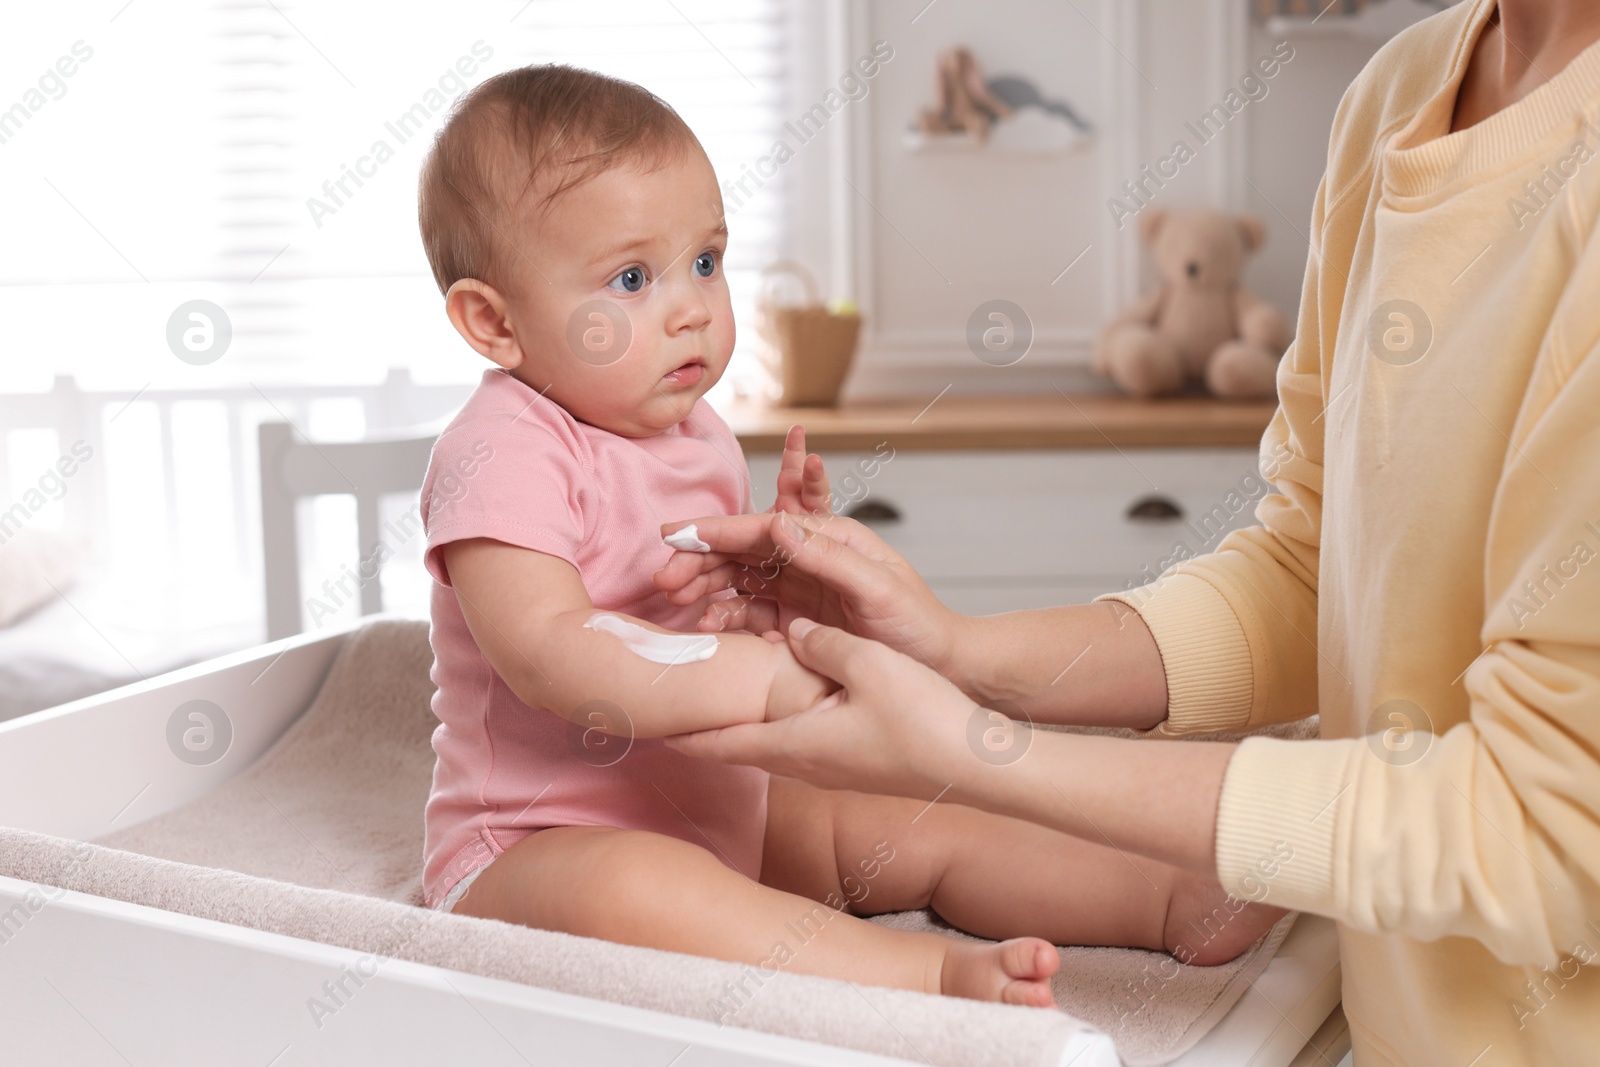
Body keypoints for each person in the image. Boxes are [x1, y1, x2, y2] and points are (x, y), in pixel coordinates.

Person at [656, 0, 1600, 1061]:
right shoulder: (1399, 91)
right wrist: (957, 650)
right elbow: (1309, 569)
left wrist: (979, 752)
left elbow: (1550, 828)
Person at [409, 63, 1284, 1013]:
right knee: (641, 889)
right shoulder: (500, 450)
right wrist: (776, 681)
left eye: (706, 260)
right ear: (492, 322)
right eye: (632, 278)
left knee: (912, 811)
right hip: (535, 847)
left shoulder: (692, 432)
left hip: (722, 801)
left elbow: (700, 615)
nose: (694, 305)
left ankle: (1169, 894)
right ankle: (924, 979)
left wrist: (775, 583)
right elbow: (552, 652)